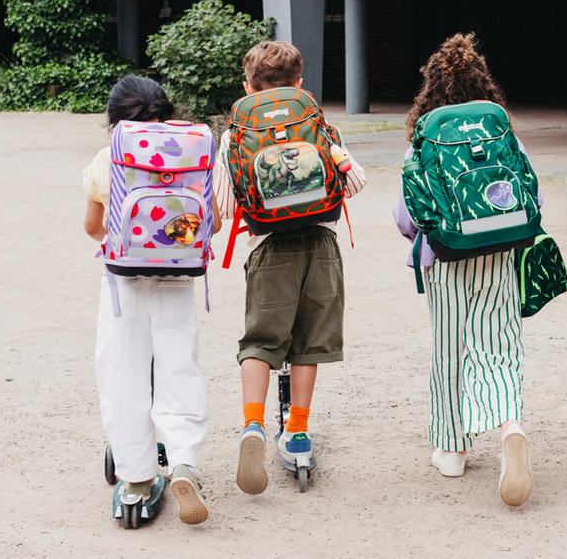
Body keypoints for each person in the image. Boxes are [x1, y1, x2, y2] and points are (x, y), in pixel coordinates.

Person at [213, 41, 366, 494]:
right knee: (307, 345)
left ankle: (254, 426)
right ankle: (297, 432)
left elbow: (223, 204)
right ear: (300, 83)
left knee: (260, 340)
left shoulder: (236, 131)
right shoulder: (317, 125)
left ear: (247, 86)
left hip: (269, 250)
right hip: (320, 246)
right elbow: (354, 182)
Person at [393, 32, 535, 506]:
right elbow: (527, 185)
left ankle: (451, 449)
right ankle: (510, 427)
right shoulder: (500, 130)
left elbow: (406, 216)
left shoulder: (425, 136)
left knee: (449, 348)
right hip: (499, 253)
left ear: (429, 90)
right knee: (498, 343)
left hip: (446, 258)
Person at [82, 75, 221, 524]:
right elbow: (212, 223)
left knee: (123, 375)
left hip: (123, 284)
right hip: (178, 279)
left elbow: (91, 226)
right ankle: (182, 463)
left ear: (115, 120)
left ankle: (138, 478)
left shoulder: (108, 158)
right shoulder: (195, 150)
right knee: (179, 368)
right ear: (167, 109)